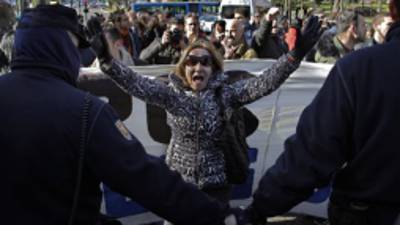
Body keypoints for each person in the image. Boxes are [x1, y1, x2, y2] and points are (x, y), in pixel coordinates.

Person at [0, 4, 245, 225]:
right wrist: (218, 216)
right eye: (76, 48)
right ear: (62, 45)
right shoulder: (86, 111)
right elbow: (144, 177)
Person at [90, 9, 320, 219]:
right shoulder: (172, 95)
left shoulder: (227, 94)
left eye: (205, 62)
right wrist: (106, 60)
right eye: (191, 61)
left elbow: (264, 83)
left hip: (216, 190)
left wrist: (294, 57)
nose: (198, 67)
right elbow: (134, 82)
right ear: (183, 67)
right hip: (178, 188)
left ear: (214, 68)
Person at [243, 0, 400, 224]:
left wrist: (259, 208)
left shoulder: (360, 68)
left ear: (393, 10)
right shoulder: (356, 68)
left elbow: (312, 152)